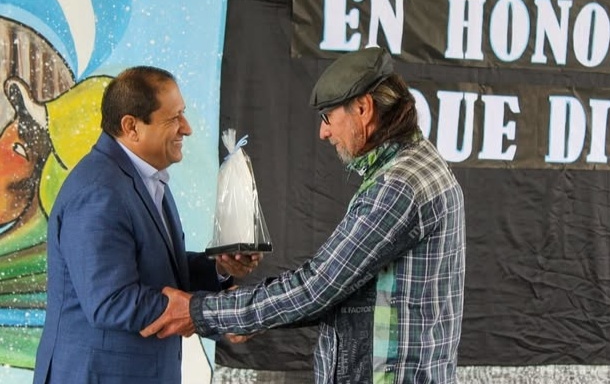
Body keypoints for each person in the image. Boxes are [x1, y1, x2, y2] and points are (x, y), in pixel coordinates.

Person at [141, 48, 466, 383]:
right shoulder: (418, 164)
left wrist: (200, 312)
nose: (324, 133)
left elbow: (317, 287)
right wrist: (244, 314)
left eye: (328, 117)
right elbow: (339, 288)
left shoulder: (399, 186)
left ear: (363, 108)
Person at [33, 66, 261, 384]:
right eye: (174, 118)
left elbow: (156, 268)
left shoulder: (143, 179)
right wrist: (211, 313)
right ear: (132, 127)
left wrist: (219, 268)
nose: (187, 128)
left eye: (183, 114)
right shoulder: (99, 191)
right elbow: (110, 301)